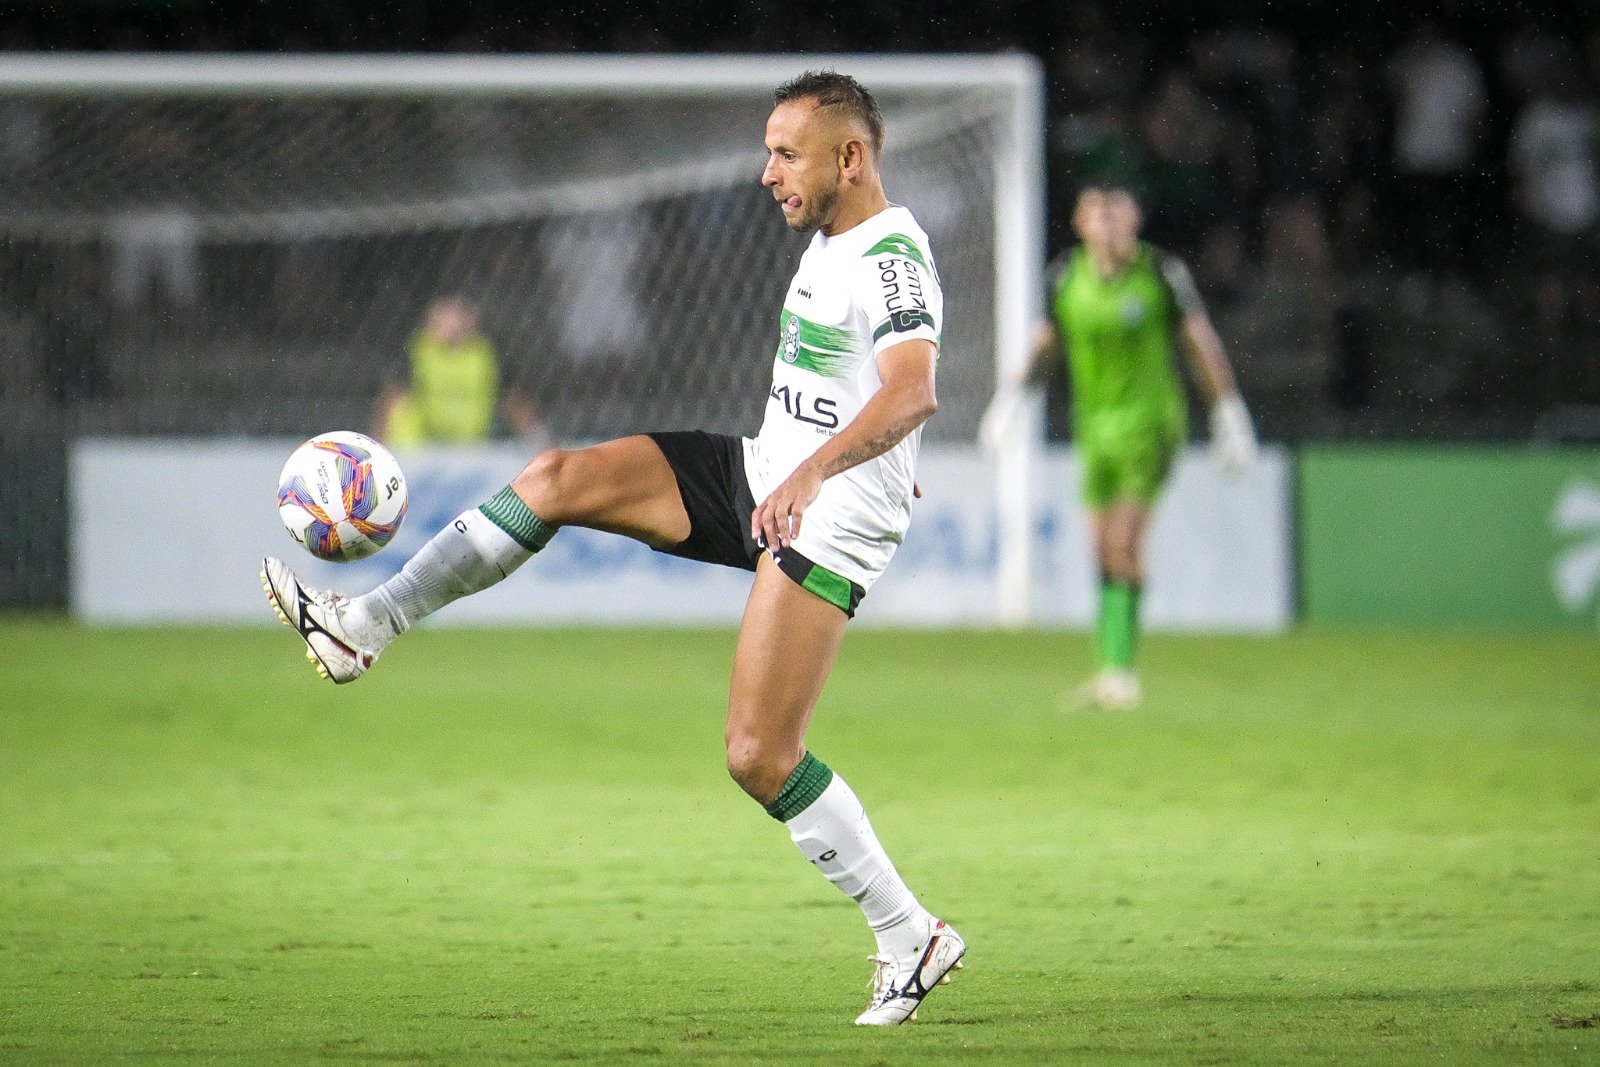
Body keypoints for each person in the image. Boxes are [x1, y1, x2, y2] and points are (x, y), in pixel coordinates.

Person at [262, 71, 964, 1026]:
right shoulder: (829, 239)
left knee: (759, 754)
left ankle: (908, 932)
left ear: (851, 157)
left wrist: (830, 471)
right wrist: (832, 457)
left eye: (786, 153)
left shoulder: (888, 251)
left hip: (826, 514)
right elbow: (864, 397)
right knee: (558, 478)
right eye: (768, 149)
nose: (766, 173)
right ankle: (365, 623)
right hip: (769, 474)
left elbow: (912, 390)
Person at [982, 184, 1255, 710]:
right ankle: (1110, 669)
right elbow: (1044, 345)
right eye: (1095, 213)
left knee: (1126, 540)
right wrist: (1010, 404)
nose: (1106, 224)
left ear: (1135, 219)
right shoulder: (1066, 277)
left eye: (1116, 213)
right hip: (1095, 430)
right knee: (1102, 548)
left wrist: (1228, 413)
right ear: (1080, 222)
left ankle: (1121, 672)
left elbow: (1199, 341)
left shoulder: (1159, 275)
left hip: (1151, 424)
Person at [375, 296, 546, 448]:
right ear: (430, 320)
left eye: (459, 315)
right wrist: (378, 444)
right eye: (446, 316)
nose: (453, 324)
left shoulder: (486, 355)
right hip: (418, 449)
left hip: (468, 449)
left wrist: (539, 440)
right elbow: (391, 398)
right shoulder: (415, 352)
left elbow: (513, 400)